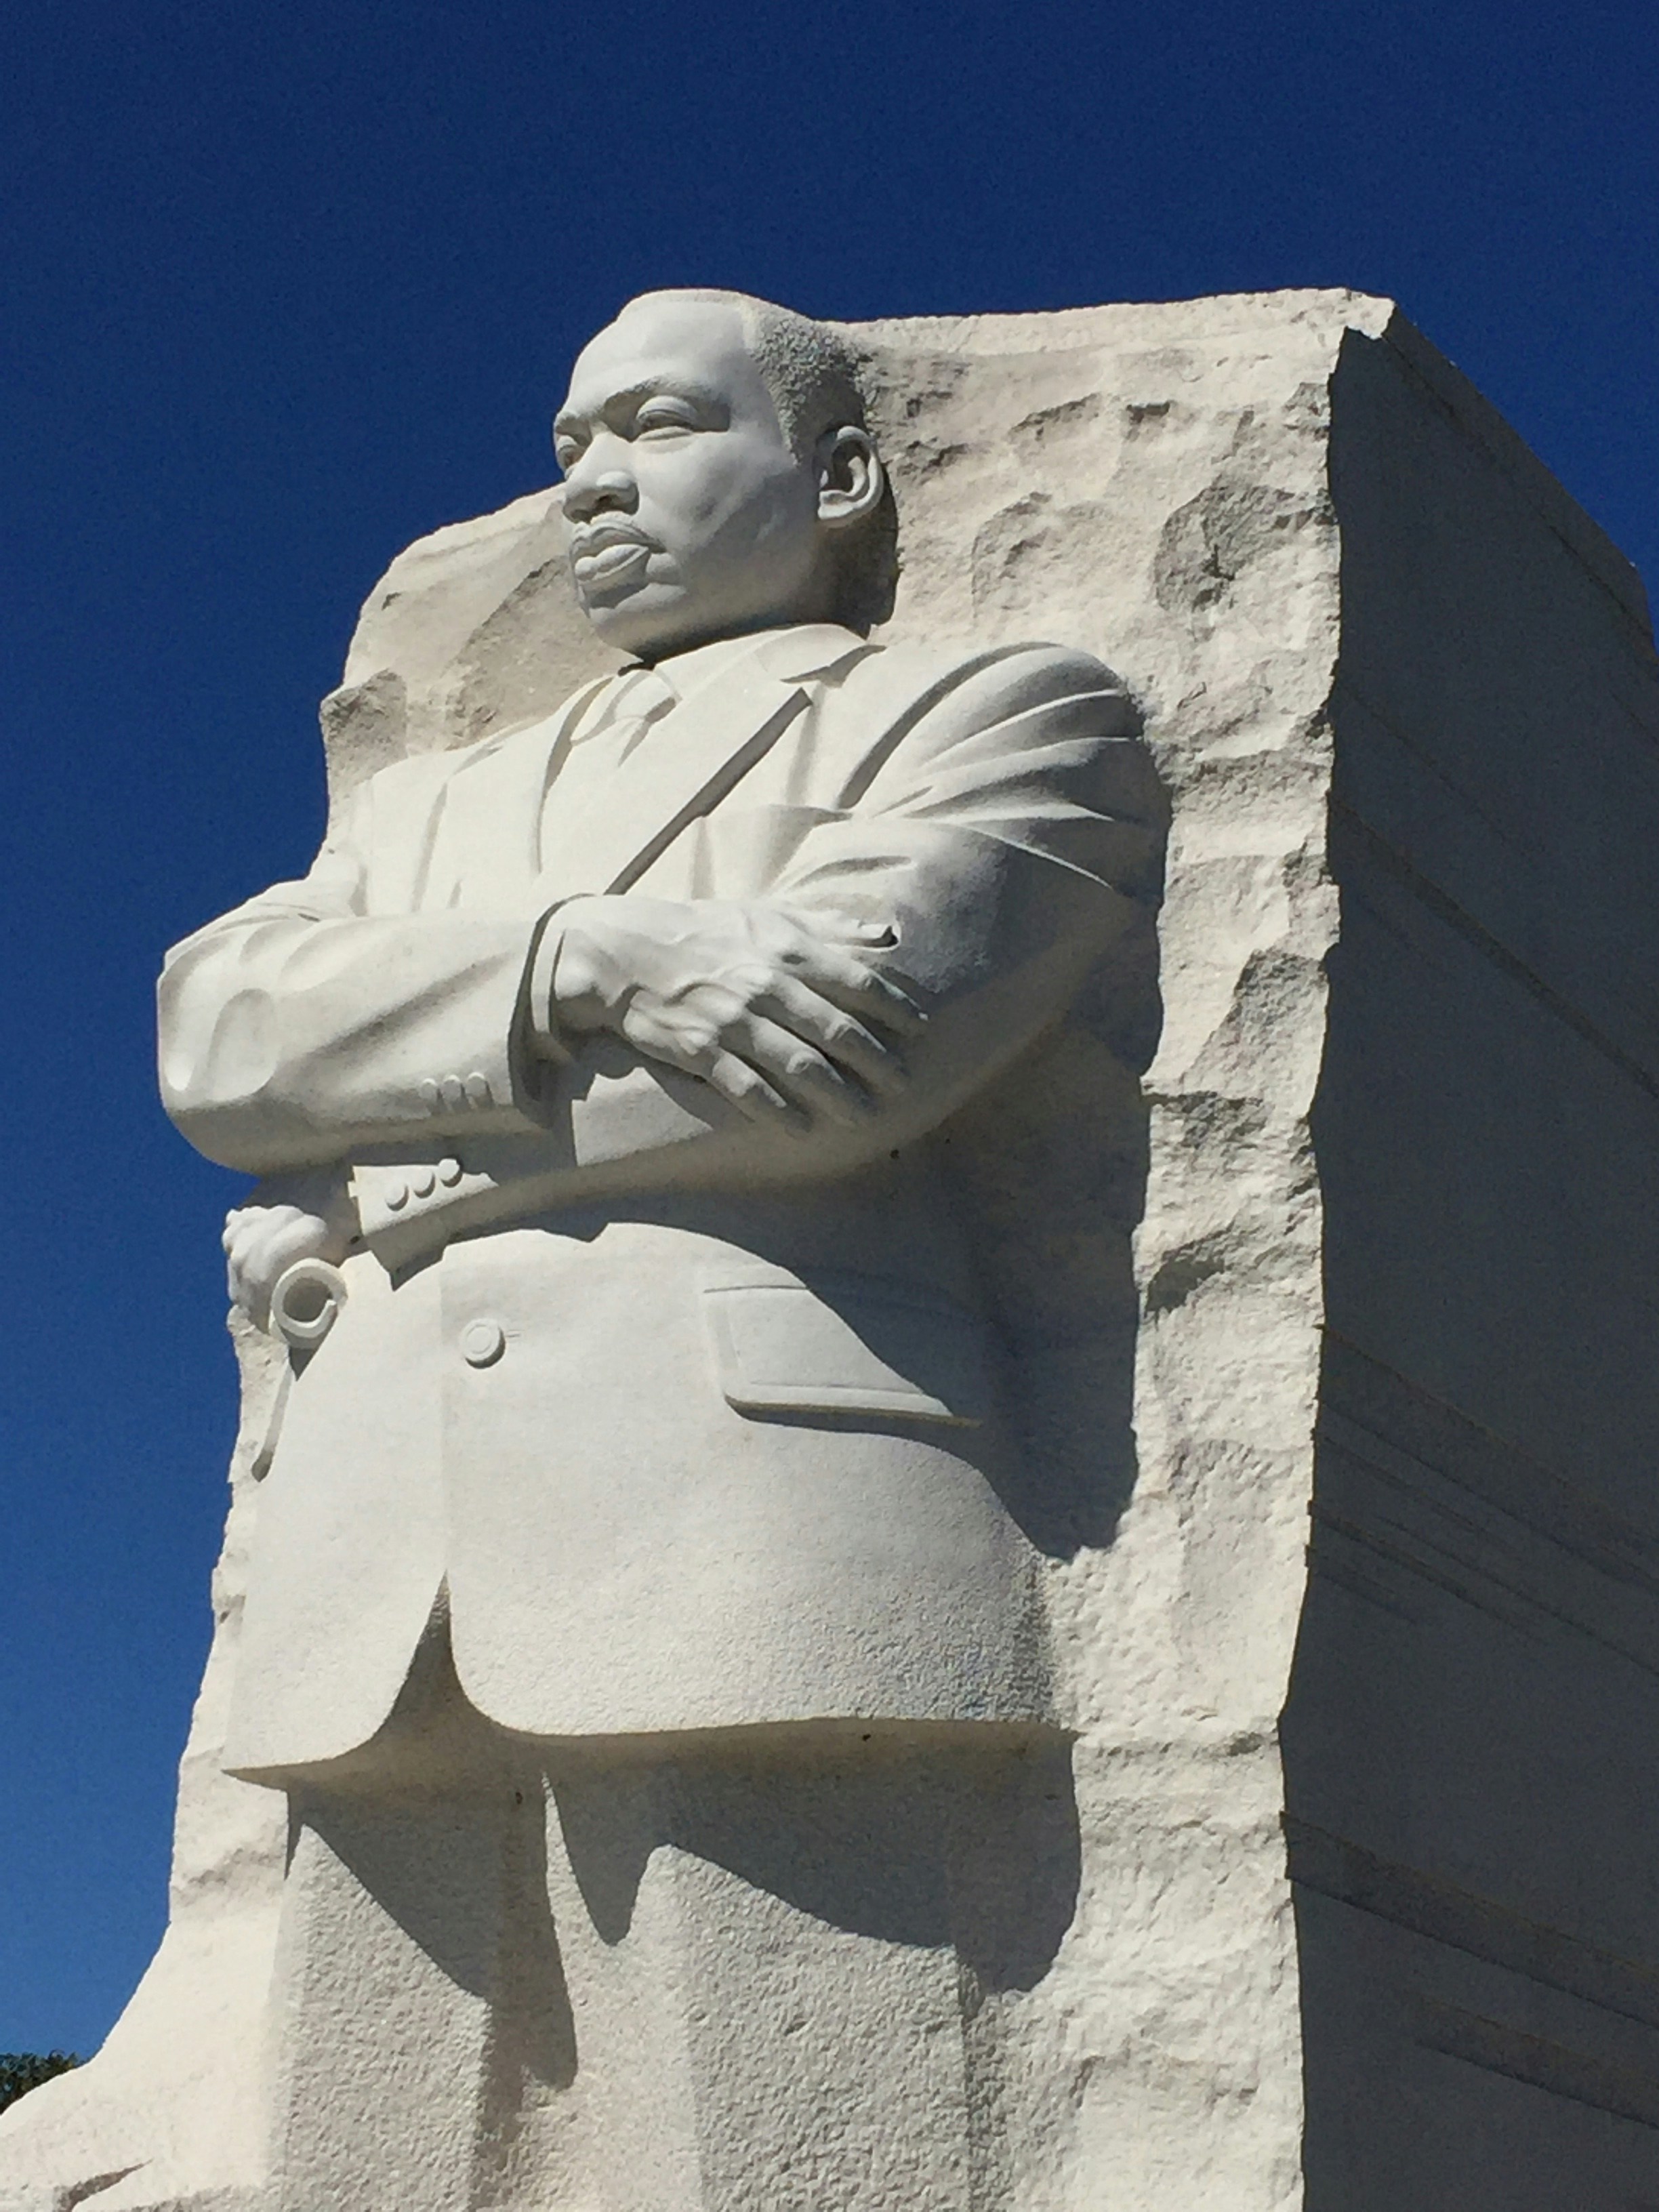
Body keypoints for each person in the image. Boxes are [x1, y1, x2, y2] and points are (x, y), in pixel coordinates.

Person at [158, 288, 1164, 2211]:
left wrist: (392, 1166)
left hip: (751, 1513)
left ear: (840, 477)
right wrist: (579, 961)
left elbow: (851, 1059)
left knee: (788, 2138)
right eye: (569, 449)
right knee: (358, 2147)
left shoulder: (989, 710)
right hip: (377, 1561)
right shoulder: (432, 808)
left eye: (659, 427)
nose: (596, 485)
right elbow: (215, 1035)